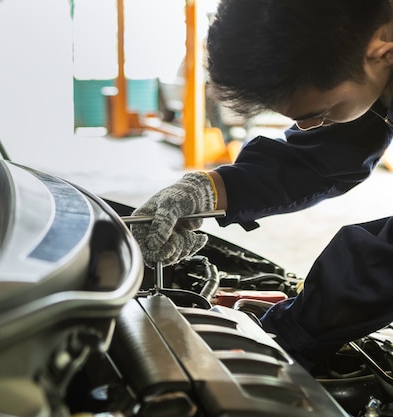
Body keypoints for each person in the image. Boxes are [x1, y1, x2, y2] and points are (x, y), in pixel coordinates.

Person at [131, 0, 393, 371]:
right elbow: (321, 158)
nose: (304, 126)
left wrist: (290, 332)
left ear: (382, 52)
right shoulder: (368, 54)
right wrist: (207, 191)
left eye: (319, 112)